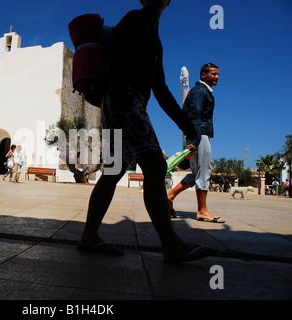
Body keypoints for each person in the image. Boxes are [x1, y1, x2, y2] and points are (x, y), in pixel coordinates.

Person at [77, 0, 217, 263]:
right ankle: (172, 245)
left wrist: (184, 123)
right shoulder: (135, 20)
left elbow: (161, 88)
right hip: (124, 102)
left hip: (125, 103)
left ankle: (89, 235)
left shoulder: (154, 36)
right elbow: (118, 60)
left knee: (114, 170)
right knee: (154, 165)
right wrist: (119, 106)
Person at [167, 63, 225, 223]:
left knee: (196, 174)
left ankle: (170, 196)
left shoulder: (200, 91)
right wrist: (197, 140)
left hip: (194, 135)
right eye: (213, 74)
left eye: (218, 74)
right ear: (203, 75)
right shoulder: (201, 91)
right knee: (203, 173)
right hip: (199, 135)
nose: (217, 77)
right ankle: (202, 211)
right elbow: (195, 116)